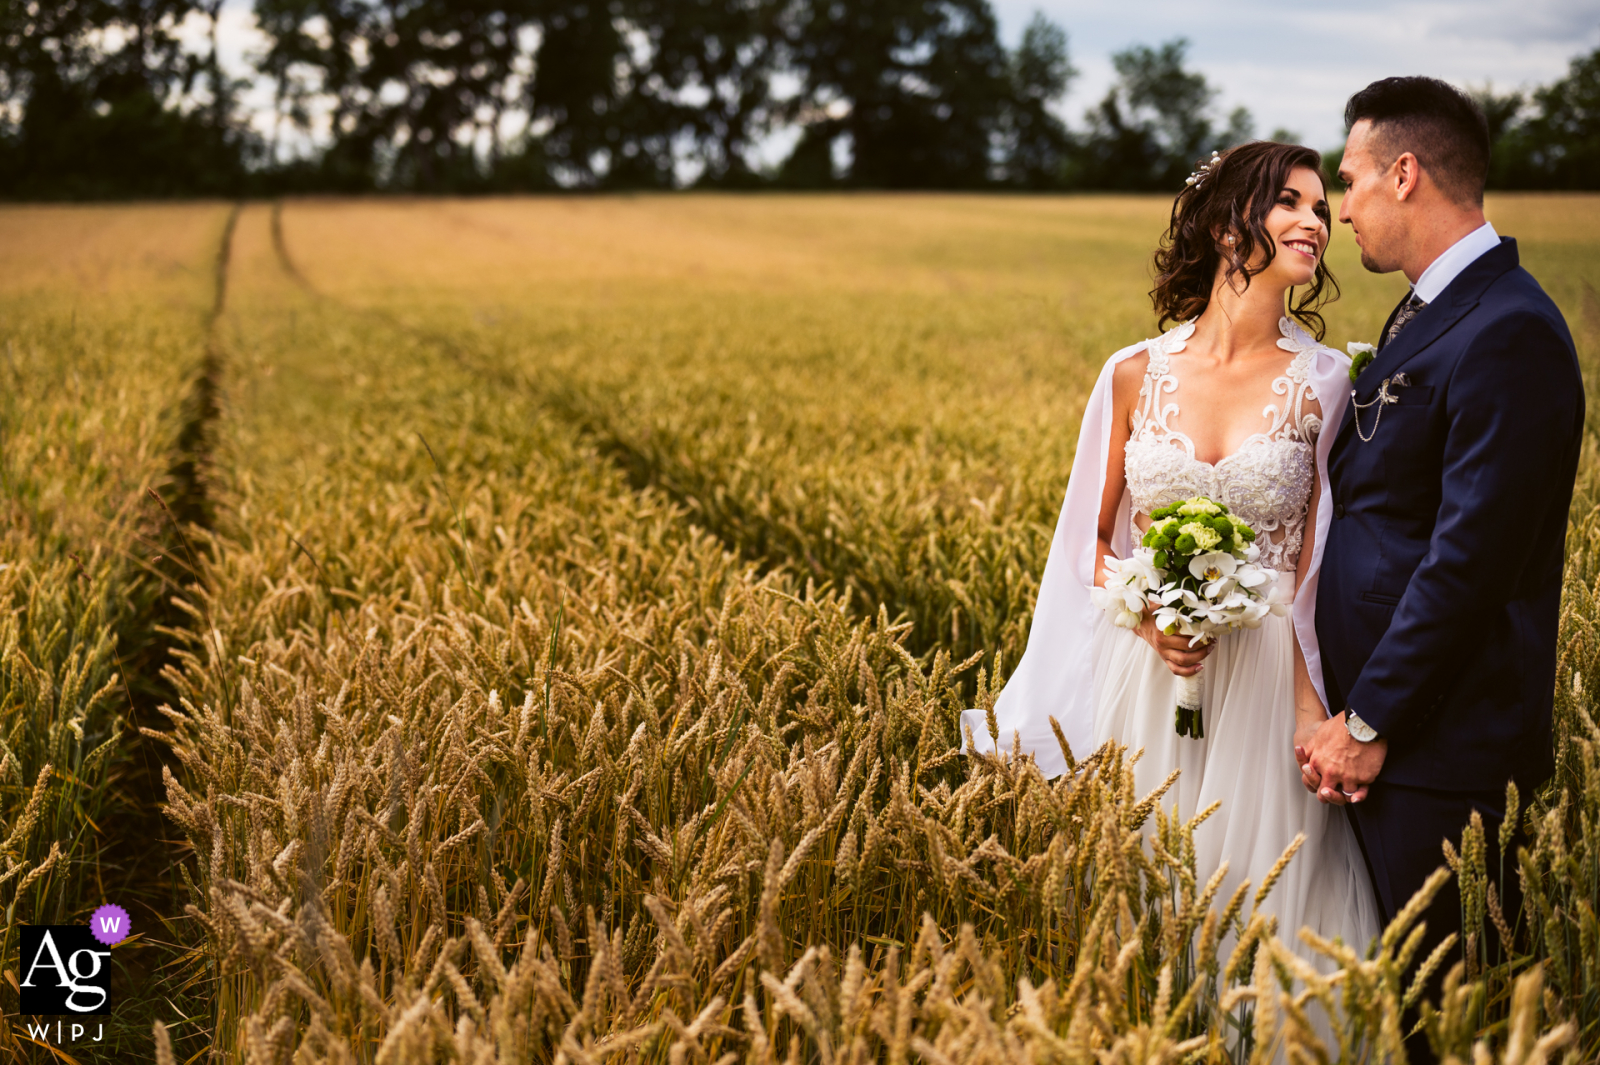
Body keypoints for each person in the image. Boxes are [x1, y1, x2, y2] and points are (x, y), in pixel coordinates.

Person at [963, 140, 1381, 961]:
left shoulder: (1331, 380)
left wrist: (1309, 704)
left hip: (1269, 678)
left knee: (1264, 908)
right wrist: (1148, 611)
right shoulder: (1130, 373)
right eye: (1290, 202)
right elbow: (1085, 535)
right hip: (1153, 670)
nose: (1315, 222)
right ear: (1229, 229)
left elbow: (1314, 560)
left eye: (1322, 208)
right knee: (1143, 902)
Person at [1301, 77, 1583, 1060]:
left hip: (1435, 747)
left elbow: (1469, 559)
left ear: (1405, 172)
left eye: (1349, 179)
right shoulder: (1434, 310)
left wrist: (1371, 718)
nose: (1341, 206)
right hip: (1388, 737)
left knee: (1440, 1022)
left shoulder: (1507, 330)